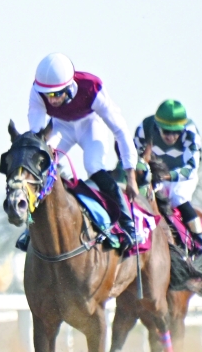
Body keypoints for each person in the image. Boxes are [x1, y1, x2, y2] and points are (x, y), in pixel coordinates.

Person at [27, 53, 140, 251]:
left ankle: (128, 223)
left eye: (55, 95)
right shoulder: (37, 92)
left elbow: (120, 130)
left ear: (69, 87)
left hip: (90, 124)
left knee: (93, 166)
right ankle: (31, 228)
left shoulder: (91, 88)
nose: (50, 100)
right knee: (42, 165)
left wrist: (130, 174)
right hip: (61, 127)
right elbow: (37, 135)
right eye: (46, 95)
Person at [135, 99, 202, 252]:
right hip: (155, 174)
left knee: (178, 197)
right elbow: (132, 154)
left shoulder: (191, 133)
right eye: (167, 131)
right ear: (158, 126)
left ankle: (201, 243)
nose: (171, 136)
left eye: (176, 131)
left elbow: (191, 169)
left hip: (182, 176)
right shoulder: (146, 127)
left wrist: (166, 176)